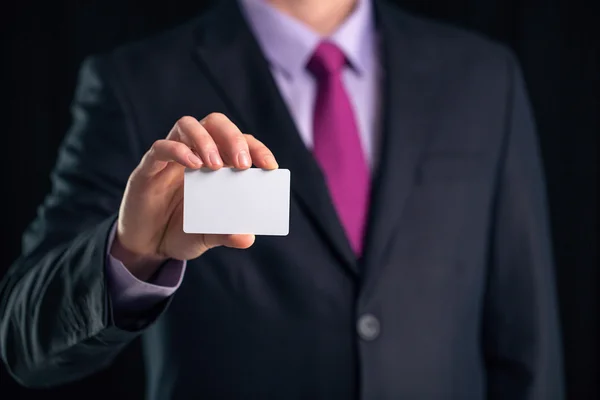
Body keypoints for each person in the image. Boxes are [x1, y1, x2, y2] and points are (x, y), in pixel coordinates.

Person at [0, 0, 564, 398]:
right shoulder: (133, 83)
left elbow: (528, 342)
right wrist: (132, 253)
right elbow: (24, 342)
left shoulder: (484, 77)